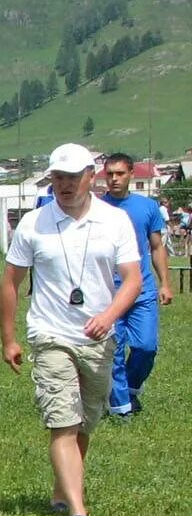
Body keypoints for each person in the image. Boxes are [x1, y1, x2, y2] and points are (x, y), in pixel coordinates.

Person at [0, 144, 142, 516]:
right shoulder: (33, 223)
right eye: (57, 177)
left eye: (71, 177)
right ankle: (78, 511)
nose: (63, 184)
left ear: (89, 176)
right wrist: (8, 338)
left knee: (84, 423)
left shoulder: (114, 222)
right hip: (50, 334)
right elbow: (11, 283)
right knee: (62, 420)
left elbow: (132, 279)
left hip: (98, 337)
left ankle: (63, 490)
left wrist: (108, 316)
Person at [97, 152, 172, 417]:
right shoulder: (96, 209)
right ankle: (121, 410)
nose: (114, 179)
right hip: (108, 291)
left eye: (119, 173)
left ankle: (130, 390)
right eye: (109, 174)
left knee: (146, 347)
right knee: (114, 350)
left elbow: (156, 246)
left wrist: (165, 283)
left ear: (131, 174)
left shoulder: (147, 207)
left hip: (142, 289)